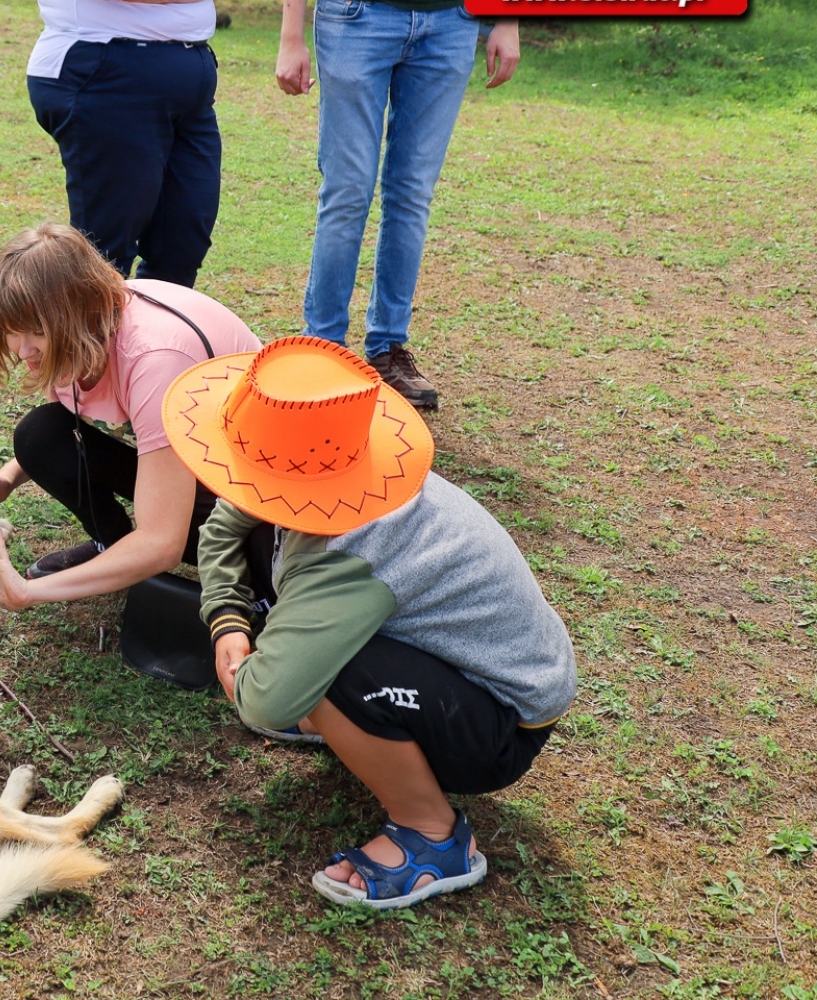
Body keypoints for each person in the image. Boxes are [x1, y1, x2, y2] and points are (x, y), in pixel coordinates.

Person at [163, 336, 575, 908]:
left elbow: (264, 701)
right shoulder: (332, 465)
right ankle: (345, 717)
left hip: (500, 719)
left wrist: (274, 681)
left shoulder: (354, 549)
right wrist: (229, 620)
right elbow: (221, 528)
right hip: (443, 661)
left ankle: (434, 837)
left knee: (333, 675)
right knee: (299, 631)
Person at [0, 222, 272, 611]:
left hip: (261, 490)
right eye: (11, 332)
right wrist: (9, 477)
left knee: (250, 564)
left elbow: (163, 543)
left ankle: (249, 585)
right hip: (196, 458)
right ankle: (111, 547)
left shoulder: (154, 361)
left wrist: (28, 593)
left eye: (36, 332)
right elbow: (80, 419)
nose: (23, 350)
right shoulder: (79, 335)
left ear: (79, 310)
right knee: (40, 436)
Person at [275, 0, 521, 408]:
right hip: (355, 13)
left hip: (453, 19)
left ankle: (388, 348)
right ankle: (321, 348)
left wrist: (507, 18)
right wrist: (290, 34)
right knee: (348, 190)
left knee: (411, 194)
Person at [23, 0, 247, 288]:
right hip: (105, 73)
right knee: (105, 253)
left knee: (183, 241)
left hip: (189, 78)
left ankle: (154, 342)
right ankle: (85, 343)